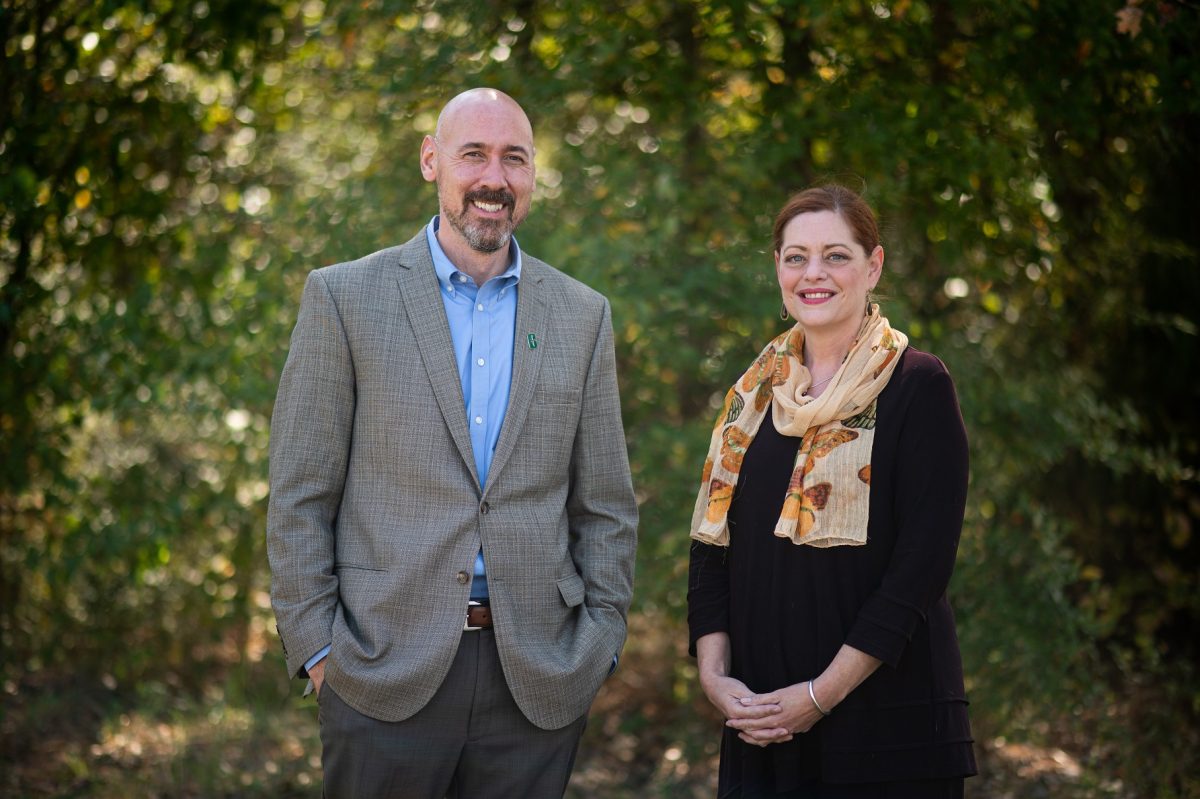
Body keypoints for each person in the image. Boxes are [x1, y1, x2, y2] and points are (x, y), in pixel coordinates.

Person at [266, 87, 638, 798]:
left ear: (531, 176)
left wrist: (599, 642)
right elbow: (299, 495)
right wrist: (320, 651)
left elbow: (607, 506)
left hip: (536, 678)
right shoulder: (344, 299)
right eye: (474, 154)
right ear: (432, 161)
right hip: (379, 671)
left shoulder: (582, 315)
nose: (493, 178)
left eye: (514, 158)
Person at [687, 185, 976, 798]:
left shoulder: (918, 386)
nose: (812, 274)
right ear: (778, 269)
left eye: (835, 256)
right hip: (762, 722)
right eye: (796, 257)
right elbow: (712, 548)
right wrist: (717, 679)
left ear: (873, 266)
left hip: (887, 729)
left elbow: (920, 569)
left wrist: (820, 696)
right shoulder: (753, 396)